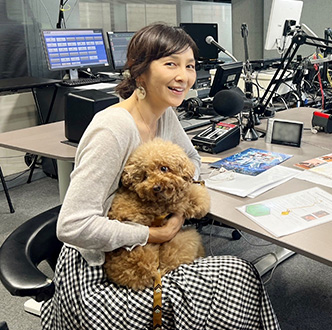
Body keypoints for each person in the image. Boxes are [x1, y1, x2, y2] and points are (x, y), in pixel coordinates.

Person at [42, 23, 280, 330]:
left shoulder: (164, 113)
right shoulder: (112, 130)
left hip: (143, 249)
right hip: (98, 275)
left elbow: (192, 161)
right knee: (239, 275)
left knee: (236, 276)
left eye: (190, 66)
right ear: (140, 72)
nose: (184, 76)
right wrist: (156, 234)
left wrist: (177, 209)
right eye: (171, 64)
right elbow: (72, 226)